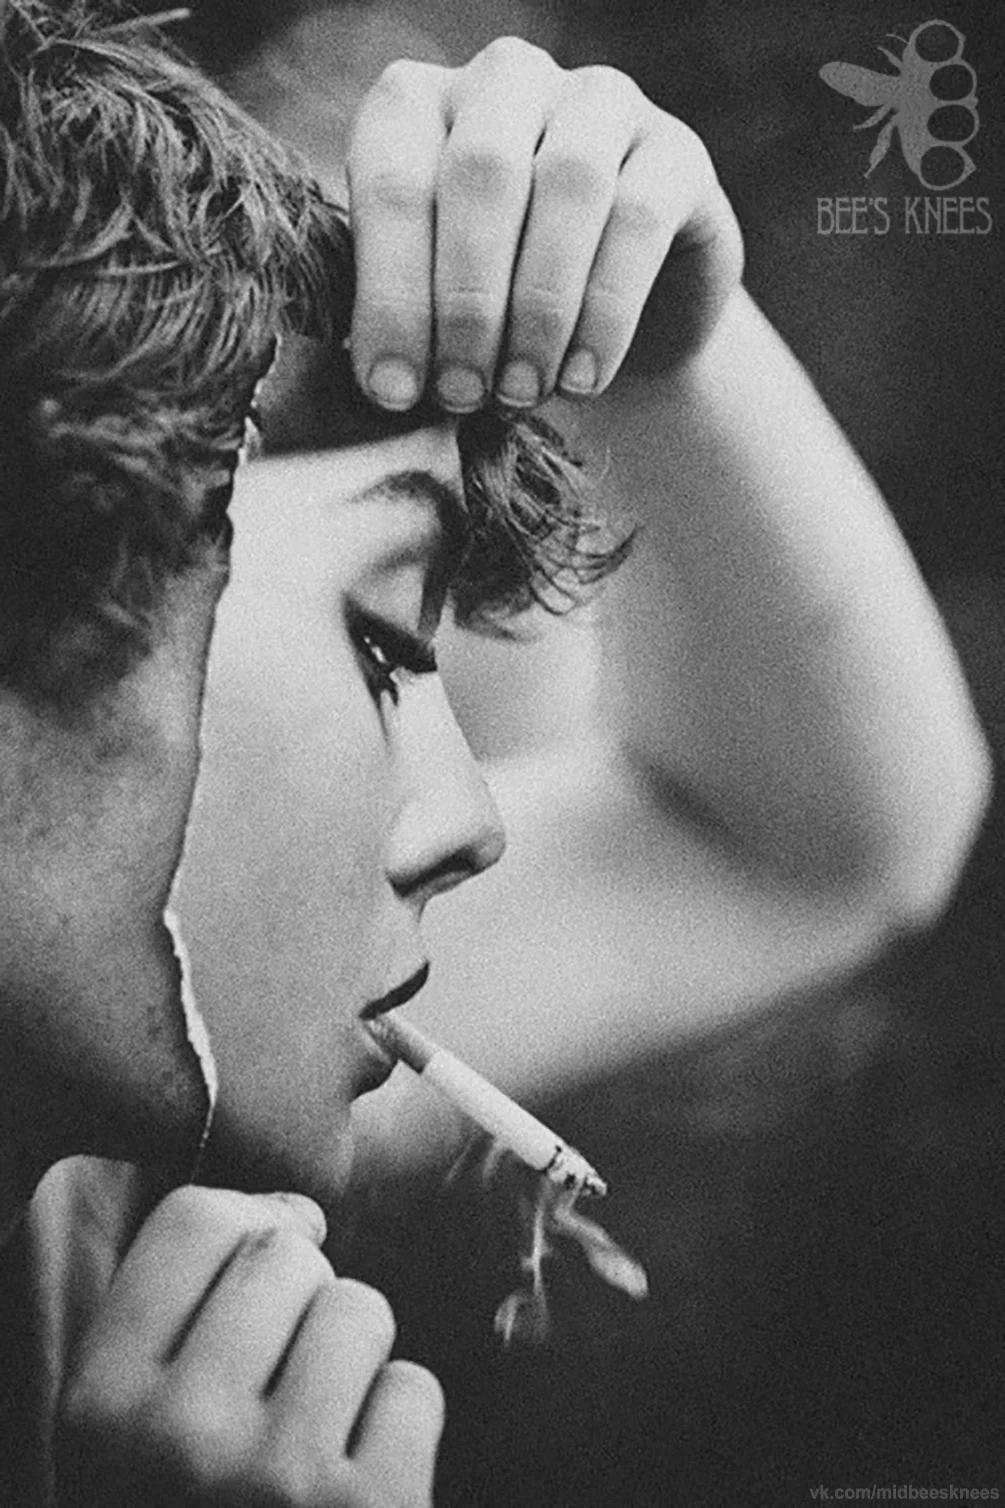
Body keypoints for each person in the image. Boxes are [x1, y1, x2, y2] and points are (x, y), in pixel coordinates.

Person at [0, 2, 991, 1504]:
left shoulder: (94, 1142)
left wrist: (654, 344)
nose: (476, 821)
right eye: (386, 653)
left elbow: (819, 847)